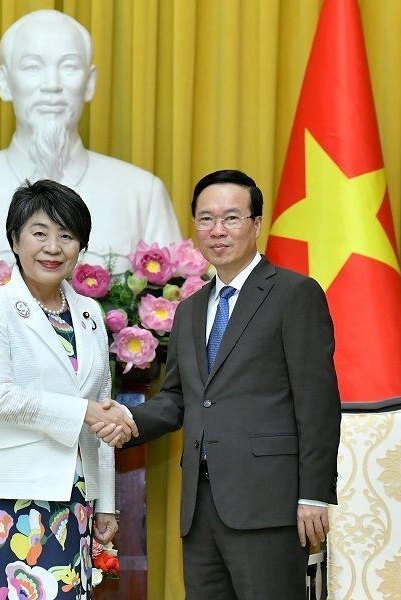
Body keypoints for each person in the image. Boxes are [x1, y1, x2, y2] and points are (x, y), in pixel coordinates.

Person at [93, 170, 341, 599]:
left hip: (270, 503)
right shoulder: (189, 309)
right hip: (200, 507)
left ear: (257, 223)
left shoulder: (293, 294)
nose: (218, 231)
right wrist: (126, 419)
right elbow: (178, 400)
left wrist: (315, 495)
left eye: (231, 218)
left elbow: (317, 402)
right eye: (206, 219)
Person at [0, 179, 137, 598]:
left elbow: (103, 405)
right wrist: (84, 413)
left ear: (81, 247)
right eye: (39, 233)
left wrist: (105, 500)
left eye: (67, 235)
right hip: (8, 500)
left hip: (74, 497)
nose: (53, 247)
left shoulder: (90, 313)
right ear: (15, 240)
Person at [0, 9, 181, 272]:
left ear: (90, 83)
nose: (52, 84)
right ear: (4, 82)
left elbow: (175, 307)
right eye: (32, 67)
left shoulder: (143, 195)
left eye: (69, 66)